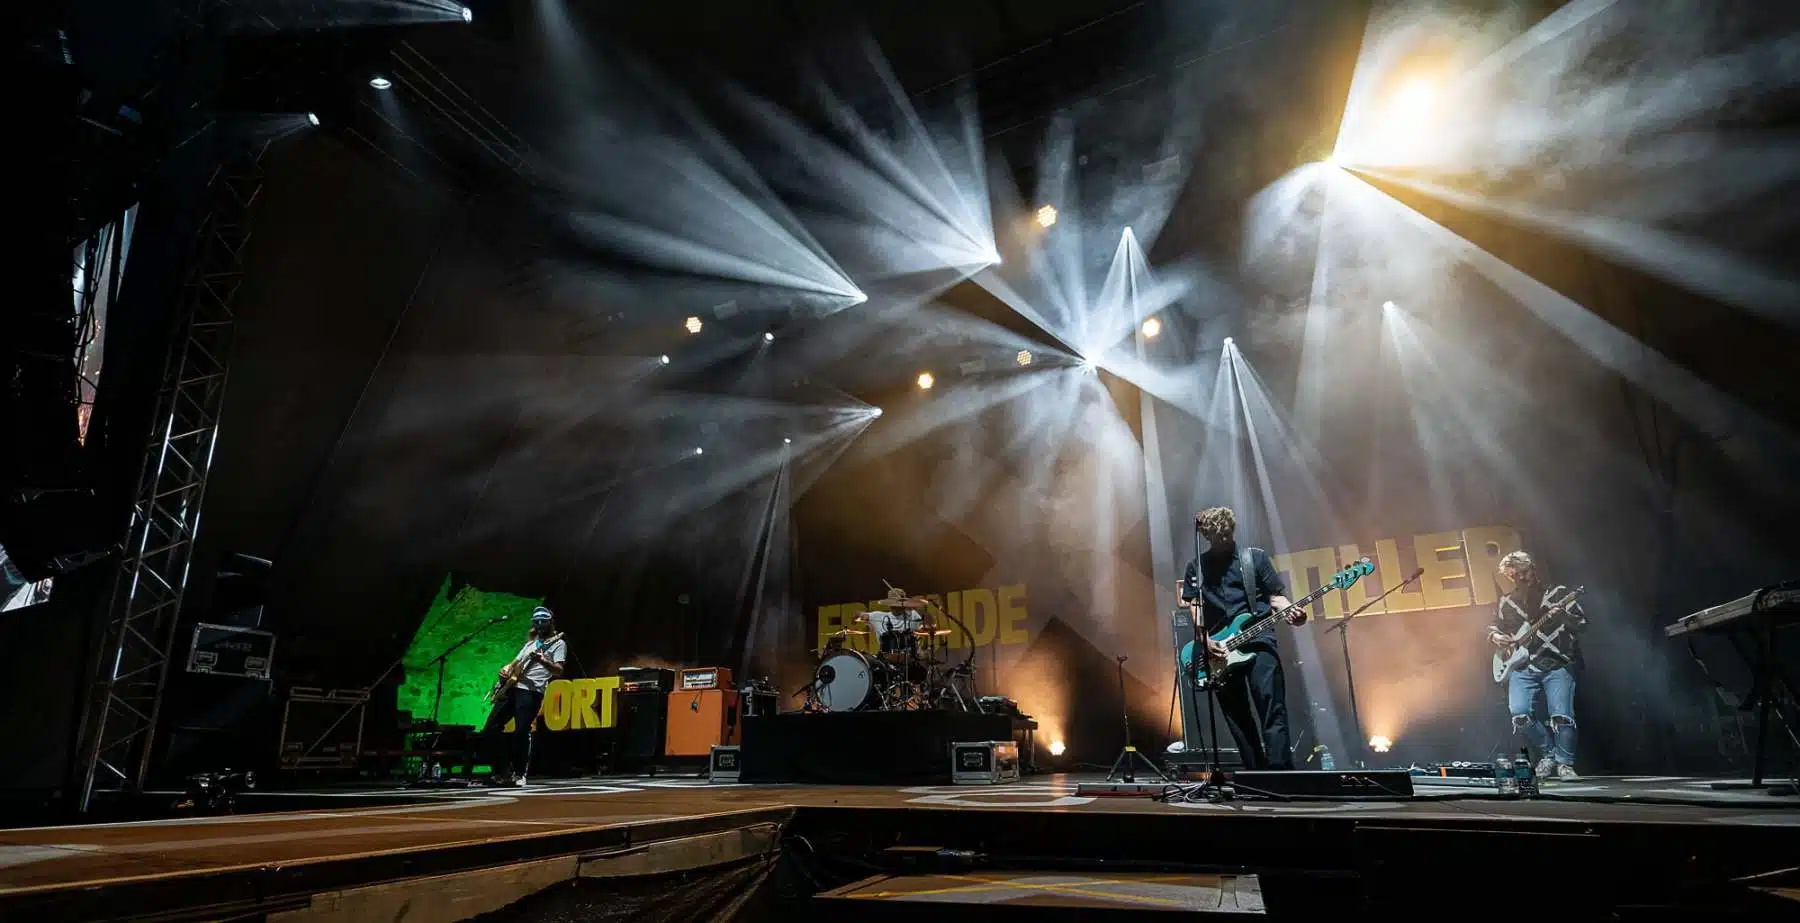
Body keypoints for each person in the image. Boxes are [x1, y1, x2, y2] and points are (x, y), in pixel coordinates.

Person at [1179, 506, 1304, 770]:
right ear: (1206, 535)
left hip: (1259, 642)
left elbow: (1275, 596)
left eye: (1225, 535)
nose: (1222, 540)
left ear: (1231, 530)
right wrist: (1204, 639)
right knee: (1237, 717)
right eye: (1216, 537)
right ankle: (1255, 775)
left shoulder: (1254, 558)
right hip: (1219, 650)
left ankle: (1281, 775)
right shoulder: (1197, 567)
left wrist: (1291, 610)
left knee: (1272, 709)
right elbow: (1194, 604)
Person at [1488, 550, 1586, 780]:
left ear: (1533, 569)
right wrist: (1495, 637)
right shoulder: (1506, 602)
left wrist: (1562, 617)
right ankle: (1548, 754)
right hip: (1522, 667)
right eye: (1515, 575)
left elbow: (1582, 623)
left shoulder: (1559, 594)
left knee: (1562, 716)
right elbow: (1493, 626)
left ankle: (1565, 764)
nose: (1522, 578)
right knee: (1520, 716)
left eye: (1524, 572)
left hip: (1558, 663)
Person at [483, 606, 566, 785]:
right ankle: (502, 771)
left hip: (531, 691)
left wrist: (542, 660)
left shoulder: (558, 643)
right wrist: (506, 669)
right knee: (491, 728)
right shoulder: (531, 644)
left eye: (543, 621)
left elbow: (558, 670)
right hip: (513, 688)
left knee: (521, 730)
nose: (539, 625)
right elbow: (516, 662)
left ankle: (520, 773)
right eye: (536, 622)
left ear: (550, 622)